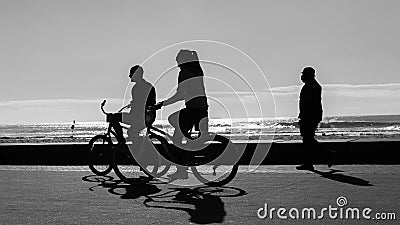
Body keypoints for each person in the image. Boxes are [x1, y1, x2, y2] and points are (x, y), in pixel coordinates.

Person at [155, 49, 209, 179]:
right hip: (202, 109)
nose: (177, 62)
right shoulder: (197, 70)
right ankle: (188, 144)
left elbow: (179, 95)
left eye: (178, 60)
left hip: (193, 109)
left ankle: (182, 169)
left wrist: (162, 104)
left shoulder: (184, 72)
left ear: (182, 60)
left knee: (174, 127)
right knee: (178, 129)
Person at [110, 65, 156, 144]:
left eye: (131, 74)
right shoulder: (145, 86)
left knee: (114, 118)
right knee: (131, 133)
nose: (129, 76)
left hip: (143, 117)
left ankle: (122, 142)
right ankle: (130, 144)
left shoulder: (139, 87)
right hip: (145, 116)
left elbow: (142, 104)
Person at [296, 67, 323, 170]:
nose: (301, 76)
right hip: (310, 116)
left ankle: (309, 163)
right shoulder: (312, 86)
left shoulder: (312, 86)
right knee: (308, 139)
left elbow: (309, 104)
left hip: (309, 116)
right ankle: (309, 162)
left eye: (303, 74)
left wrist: (304, 116)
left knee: (307, 140)